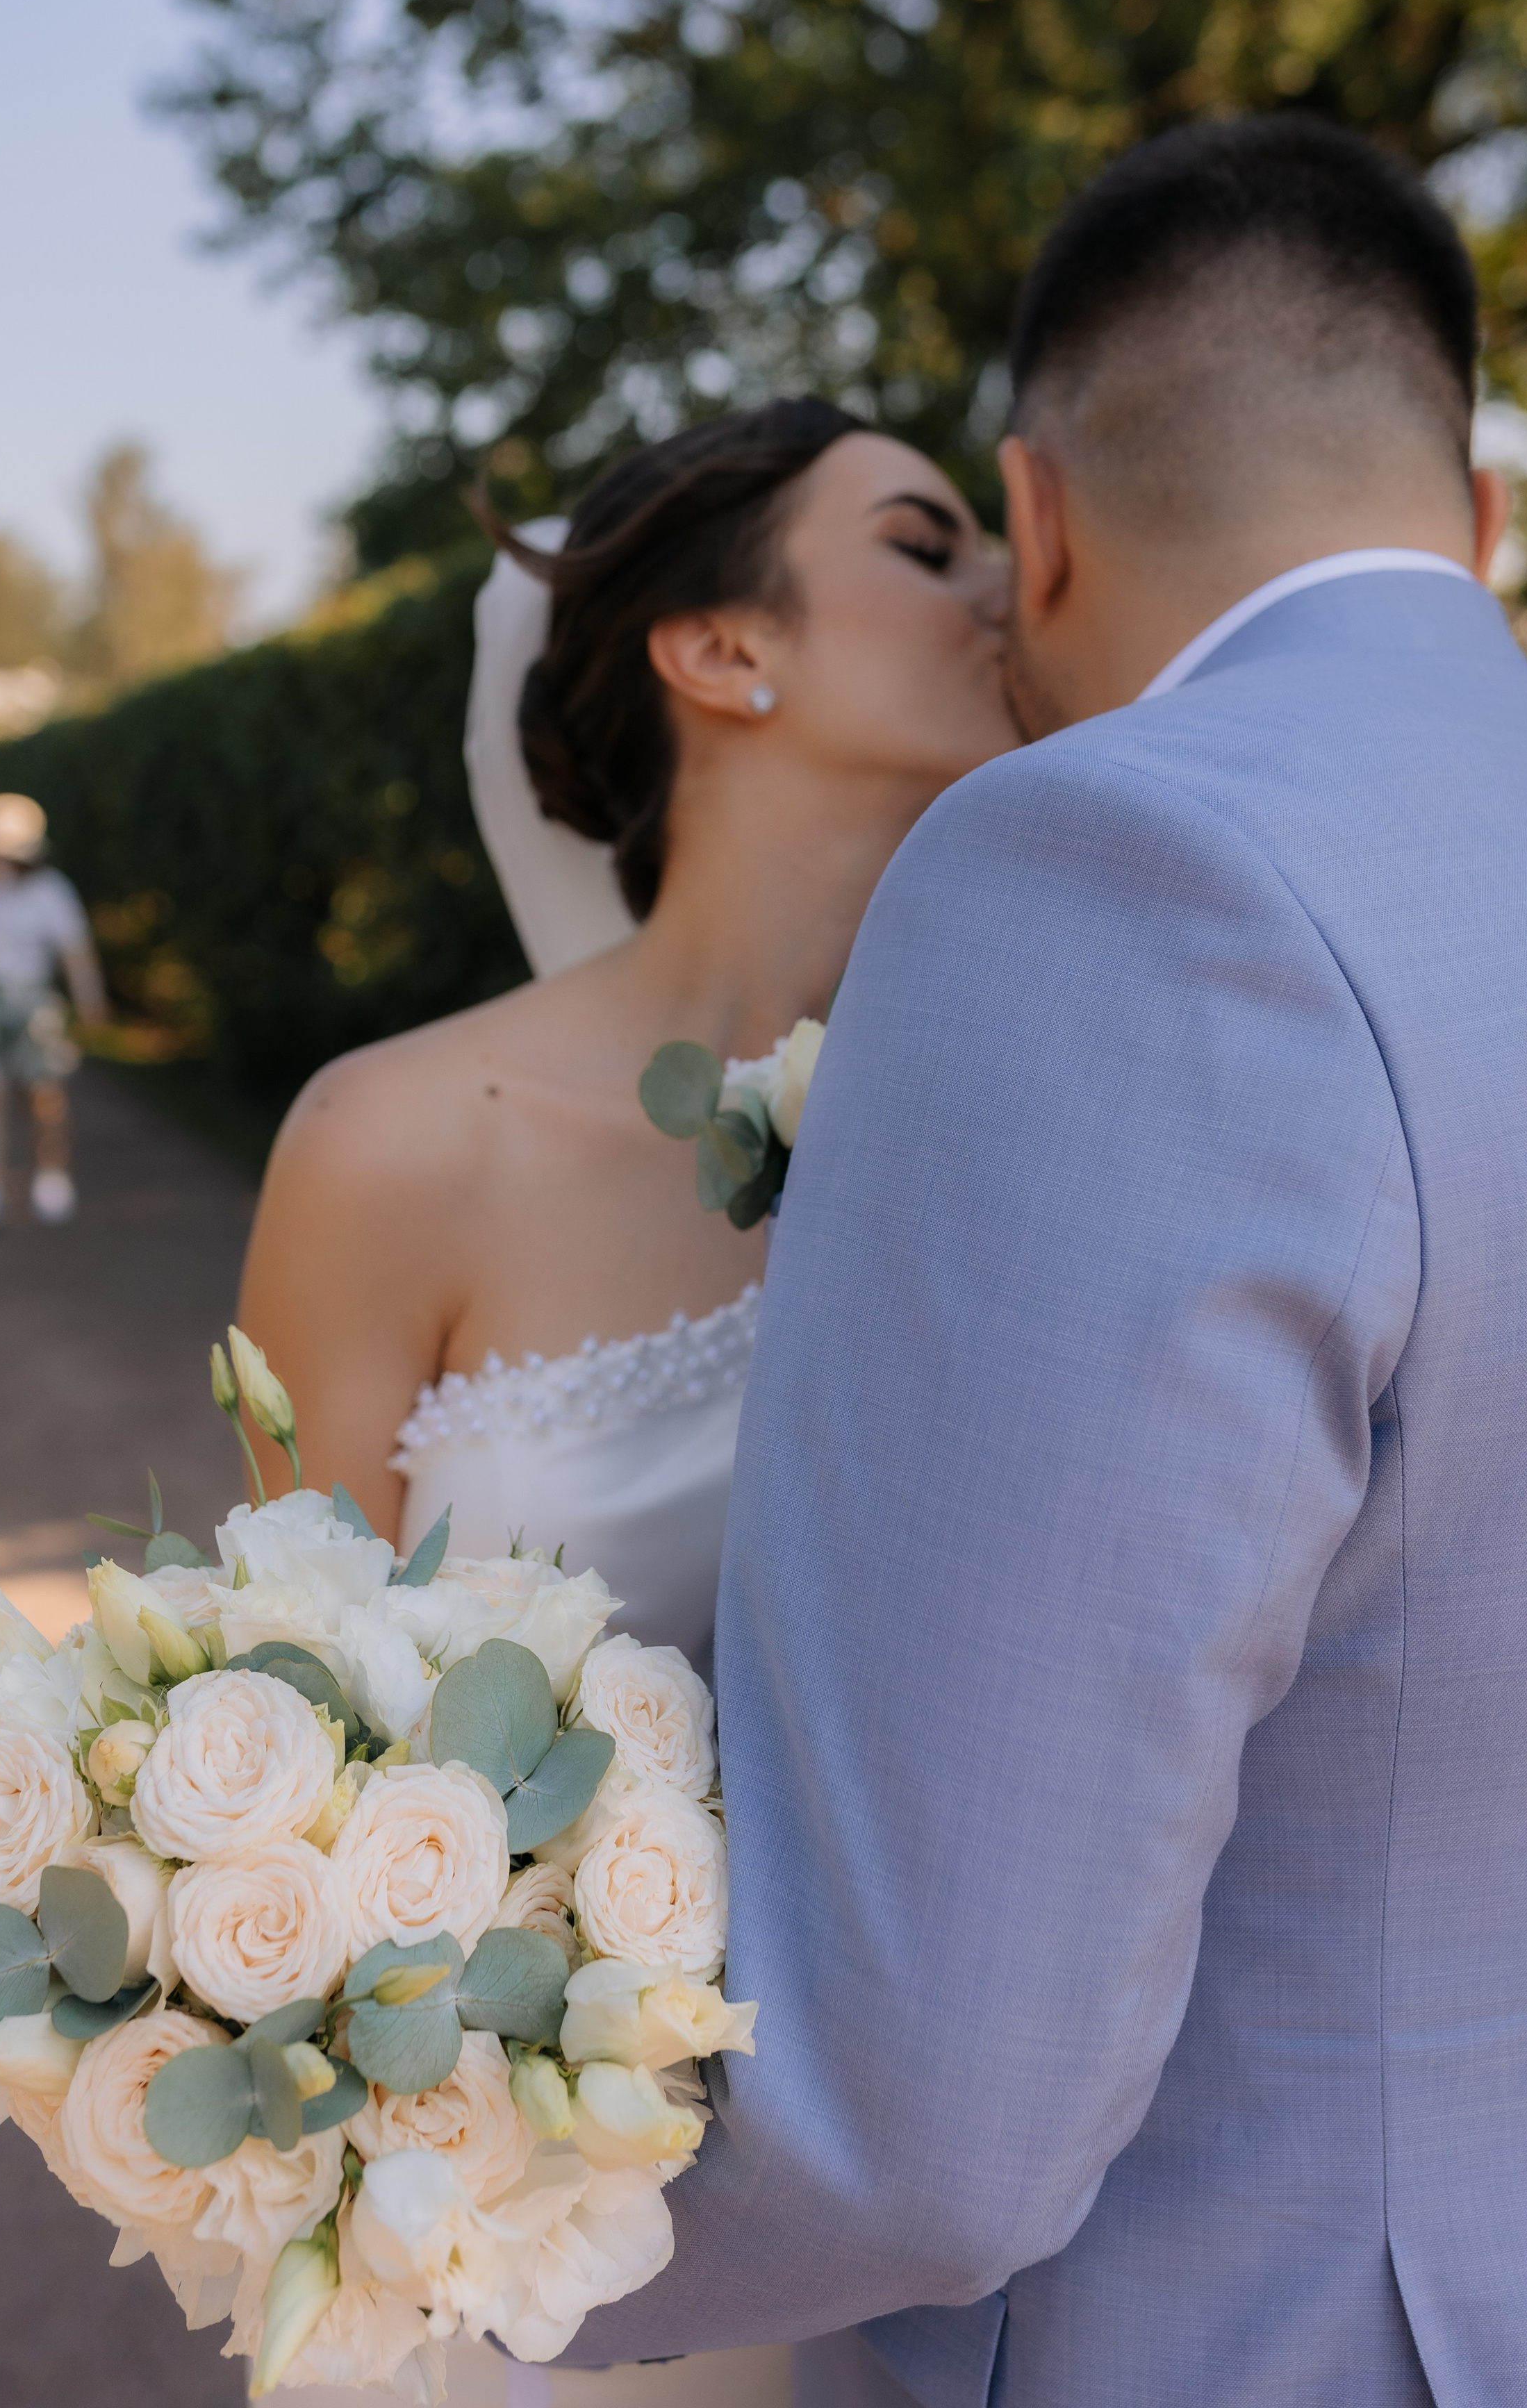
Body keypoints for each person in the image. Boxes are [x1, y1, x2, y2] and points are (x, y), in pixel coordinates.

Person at [554, 118, 1527, 2407]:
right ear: (1480, 516)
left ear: (1041, 519)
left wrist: (457, 2235)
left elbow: (932, 2120)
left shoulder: (1123, 868)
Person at [238, 397, 1019, 2407]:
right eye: (929, 542)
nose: (1020, 584)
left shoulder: (1035, 1133)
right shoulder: (395, 1143)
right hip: (522, 2245)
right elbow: (254, 1748)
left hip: (975, 2242)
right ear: (723, 650)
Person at [0, 792, 108, 1233]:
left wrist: (90, 1000)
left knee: (44, 1092)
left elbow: (74, 950)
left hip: (33, 998)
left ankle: (51, 1174)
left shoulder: (51, 890)